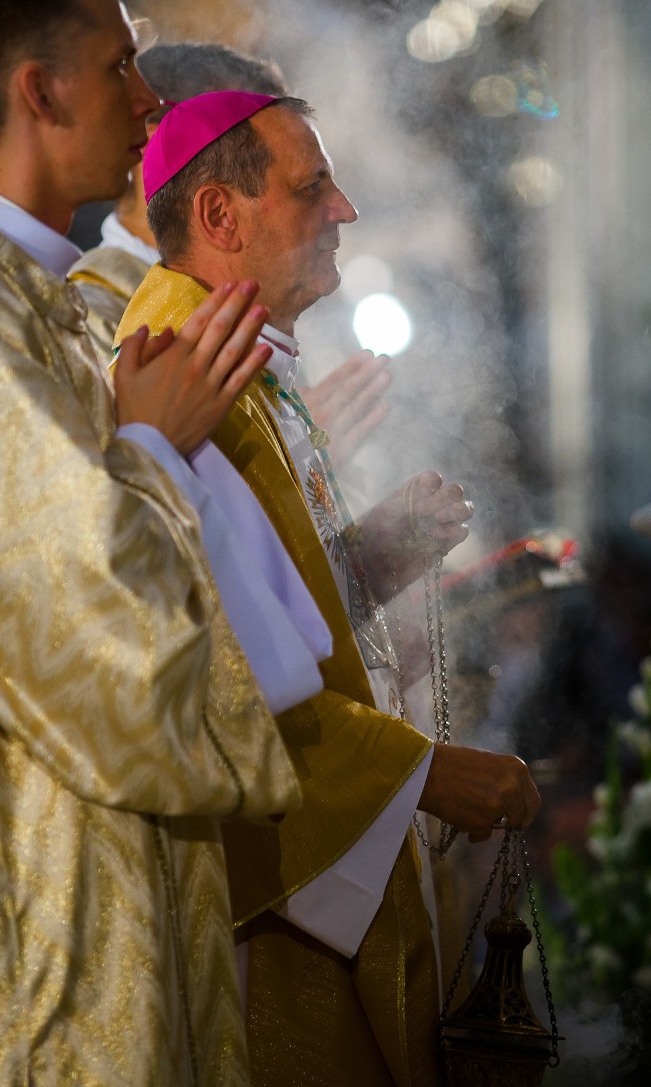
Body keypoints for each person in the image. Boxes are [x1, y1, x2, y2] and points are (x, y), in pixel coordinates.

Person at [0, 0, 324, 1087]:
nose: (149, 102)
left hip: (118, 875)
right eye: (123, 65)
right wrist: (149, 446)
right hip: (39, 917)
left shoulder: (55, 311)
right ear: (41, 90)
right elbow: (84, 645)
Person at [116, 91, 542, 1086]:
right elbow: (214, 666)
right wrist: (424, 774)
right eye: (312, 188)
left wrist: (373, 557)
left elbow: (273, 603)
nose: (344, 208)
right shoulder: (186, 368)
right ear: (220, 216)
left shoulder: (245, 360)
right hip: (270, 916)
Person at [69, 41, 391, 468]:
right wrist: (290, 450)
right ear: (155, 143)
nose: (344, 211)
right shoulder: (80, 321)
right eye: (241, 125)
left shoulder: (256, 301)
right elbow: (117, 511)